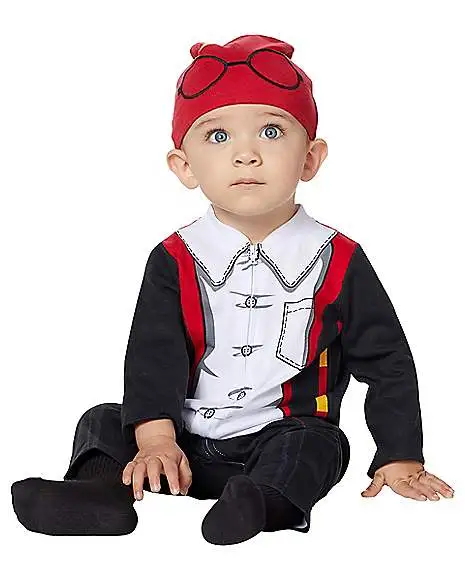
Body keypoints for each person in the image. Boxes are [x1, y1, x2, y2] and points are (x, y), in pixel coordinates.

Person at [11, 33, 454, 545]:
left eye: (271, 131)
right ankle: (100, 496)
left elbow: (387, 360)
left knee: (318, 444)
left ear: (310, 159)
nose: (247, 155)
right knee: (104, 420)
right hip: (178, 451)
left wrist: (399, 454)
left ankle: (260, 504)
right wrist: (156, 439)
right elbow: (153, 353)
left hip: (279, 442)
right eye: (219, 136)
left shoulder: (338, 259)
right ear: (184, 166)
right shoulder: (175, 258)